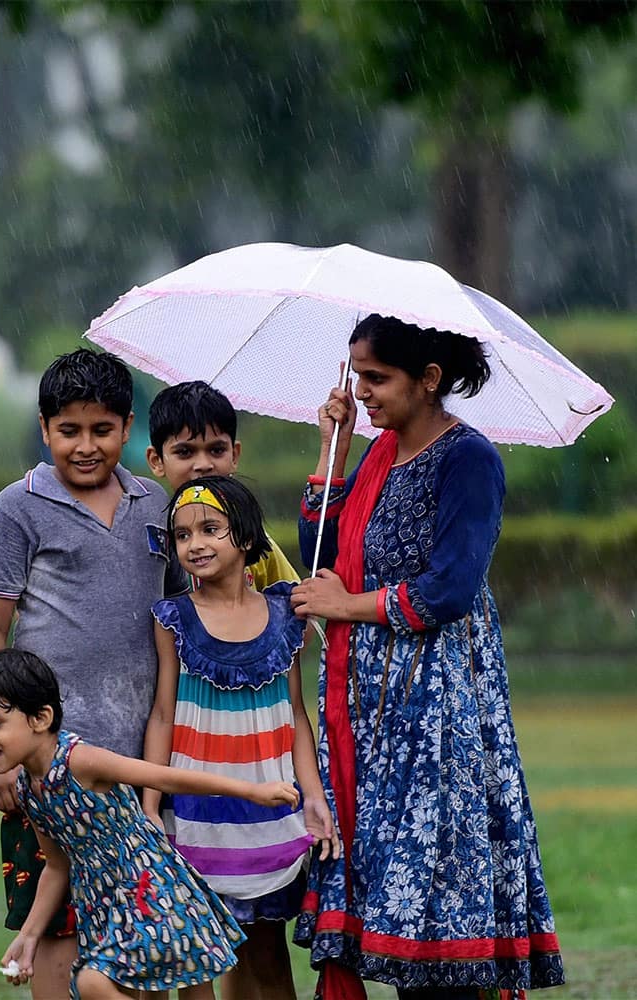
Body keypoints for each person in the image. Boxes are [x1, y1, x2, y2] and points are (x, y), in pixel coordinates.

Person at [289, 314, 565, 1000]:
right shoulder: (378, 454)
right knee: (397, 896)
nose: (361, 390)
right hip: (374, 708)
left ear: (429, 379)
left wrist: (347, 607)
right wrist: (334, 446)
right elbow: (323, 556)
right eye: (357, 374)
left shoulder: (468, 458)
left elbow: (451, 586)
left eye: (376, 377)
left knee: (439, 909)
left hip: (439, 707)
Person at [0, 348, 186, 999]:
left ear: (127, 427)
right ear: (44, 428)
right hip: (45, 767)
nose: (85, 446)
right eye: (69, 431)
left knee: (138, 931)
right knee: (58, 933)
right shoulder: (17, 508)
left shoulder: (158, 508)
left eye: (102, 430)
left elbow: (183, 614)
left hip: (137, 767)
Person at [0, 649, 303, 998]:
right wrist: (28, 935)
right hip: (103, 905)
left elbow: (165, 778)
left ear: (41, 718)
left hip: (150, 888)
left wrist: (252, 791)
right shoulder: (29, 790)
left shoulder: (81, 761)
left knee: (98, 982)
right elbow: (56, 865)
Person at [143, 475, 339, 1000]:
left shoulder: (284, 616)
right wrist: (150, 806)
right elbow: (163, 715)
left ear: (248, 537)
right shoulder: (174, 619)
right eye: (182, 535)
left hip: (272, 813)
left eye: (210, 528)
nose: (195, 544)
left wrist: (314, 798)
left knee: (269, 957)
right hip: (196, 816)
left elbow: (296, 715)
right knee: (197, 963)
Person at [146, 380, 299, 591]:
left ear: (234, 455)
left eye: (216, 450)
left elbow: (296, 607)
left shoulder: (251, 540)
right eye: (185, 452)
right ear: (156, 461)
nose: (203, 465)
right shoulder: (150, 539)